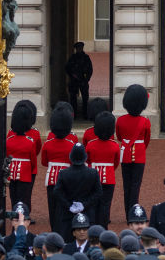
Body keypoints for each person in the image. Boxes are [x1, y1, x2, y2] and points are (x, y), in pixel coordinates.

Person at [53, 143, 102, 239]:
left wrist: (69, 205)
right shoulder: (93, 173)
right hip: (87, 213)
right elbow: (98, 192)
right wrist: (85, 204)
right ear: (85, 157)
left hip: (68, 215)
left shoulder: (63, 173)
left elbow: (57, 192)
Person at [43, 102, 79, 232]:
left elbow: (44, 162)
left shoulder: (48, 144)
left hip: (52, 179)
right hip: (67, 180)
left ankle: (54, 230)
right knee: (65, 206)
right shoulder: (71, 145)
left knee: (52, 207)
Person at [117, 84, 151, 212]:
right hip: (139, 155)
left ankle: (127, 212)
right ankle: (133, 212)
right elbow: (146, 140)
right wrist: (140, 149)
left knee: (127, 185)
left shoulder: (120, 120)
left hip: (124, 154)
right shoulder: (145, 121)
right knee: (136, 185)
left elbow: (119, 137)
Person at [86, 111, 121, 229]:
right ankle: (103, 227)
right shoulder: (115, 146)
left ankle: (93, 226)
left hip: (93, 178)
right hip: (109, 178)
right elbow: (116, 164)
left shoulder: (90, 145)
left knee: (93, 203)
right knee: (106, 205)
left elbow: (88, 161)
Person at [7, 104, 38, 213]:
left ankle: (14, 216)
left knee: (13, 197)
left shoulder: (8, 140)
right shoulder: (30, 141)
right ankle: (25, 217)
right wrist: (32, 173)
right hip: (25, 174)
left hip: (11, 173)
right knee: (25, 198)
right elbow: (33, 162)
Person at [65, 43, 94, 120]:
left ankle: (85, 114)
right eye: (78, 48)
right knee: (73, 99)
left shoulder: (86, 58)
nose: (79, 49)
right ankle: (74, 115)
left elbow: (90, 70)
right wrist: (72, 75)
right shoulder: (72, 58)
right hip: (74, 81)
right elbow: (67, 68)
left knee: (85, 98)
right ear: (76, 49)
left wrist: (86, 79)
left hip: (83, 80)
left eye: (80, 48)